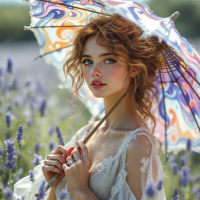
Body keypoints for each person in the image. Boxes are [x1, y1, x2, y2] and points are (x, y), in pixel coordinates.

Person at [13, 14, 167, 200]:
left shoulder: (138, 144)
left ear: (134, 68)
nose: (94, 71)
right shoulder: (86, 133)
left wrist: (81, 191)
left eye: (108, 60)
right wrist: (55, 184)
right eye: (87, 61)